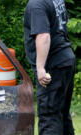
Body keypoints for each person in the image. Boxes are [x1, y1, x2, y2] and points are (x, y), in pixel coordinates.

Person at [23, 0, 75, 135]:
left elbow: (44, 36)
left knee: (49, 117)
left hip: (53, 65)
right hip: (66, 60)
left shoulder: (36, 4)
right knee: (62, 114)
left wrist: (41, 68)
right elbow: (64, 21)